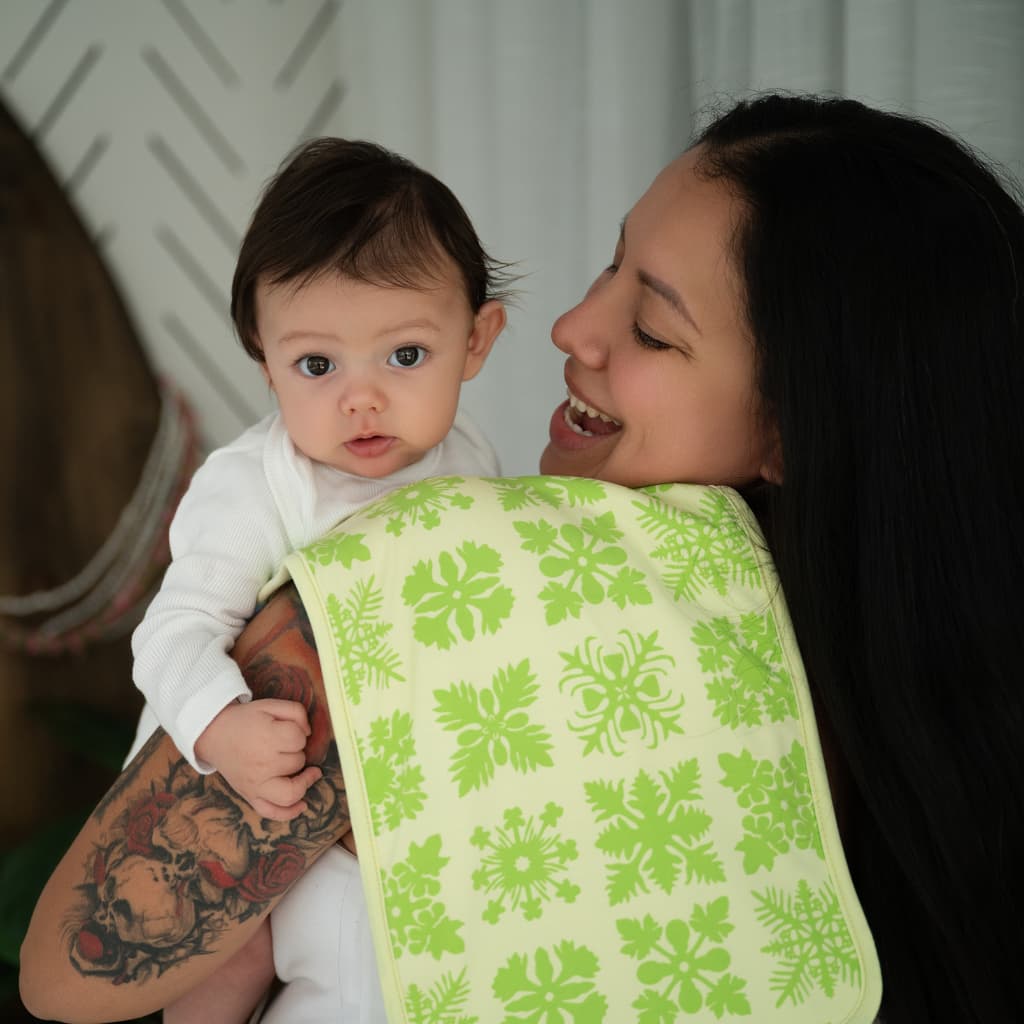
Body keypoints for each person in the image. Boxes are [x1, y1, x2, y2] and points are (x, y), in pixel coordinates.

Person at [19, 92, 1024, 1024]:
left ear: (793, 433)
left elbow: (70, 966)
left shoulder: (427, 580)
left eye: (649, 328)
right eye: (608, 264)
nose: (571, 326)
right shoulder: (923, 720)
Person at [125, 137, 509, 1022]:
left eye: (405, 356)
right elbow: (174, 629)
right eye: (317, 366)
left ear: (476, 341)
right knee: (228, 951)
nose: (361, 399)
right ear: (265, 361)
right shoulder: (256, 485)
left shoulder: (469, 459)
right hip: (236, 785)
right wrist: (221, 728)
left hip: (383, 772)